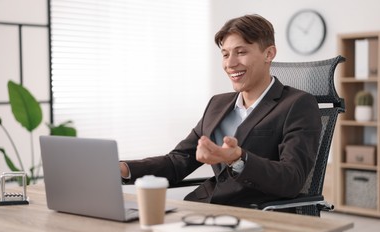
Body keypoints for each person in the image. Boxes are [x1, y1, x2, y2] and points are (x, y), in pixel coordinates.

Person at [119, 14, 321, 208]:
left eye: (241, 52)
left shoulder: (298, 104)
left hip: (258, 214)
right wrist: (124, 169)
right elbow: (178, 162)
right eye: (225, 54)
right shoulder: (217, 104)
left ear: (269, 54)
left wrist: (238, 158)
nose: (230, 64)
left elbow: (291, 178)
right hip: (203, 209)